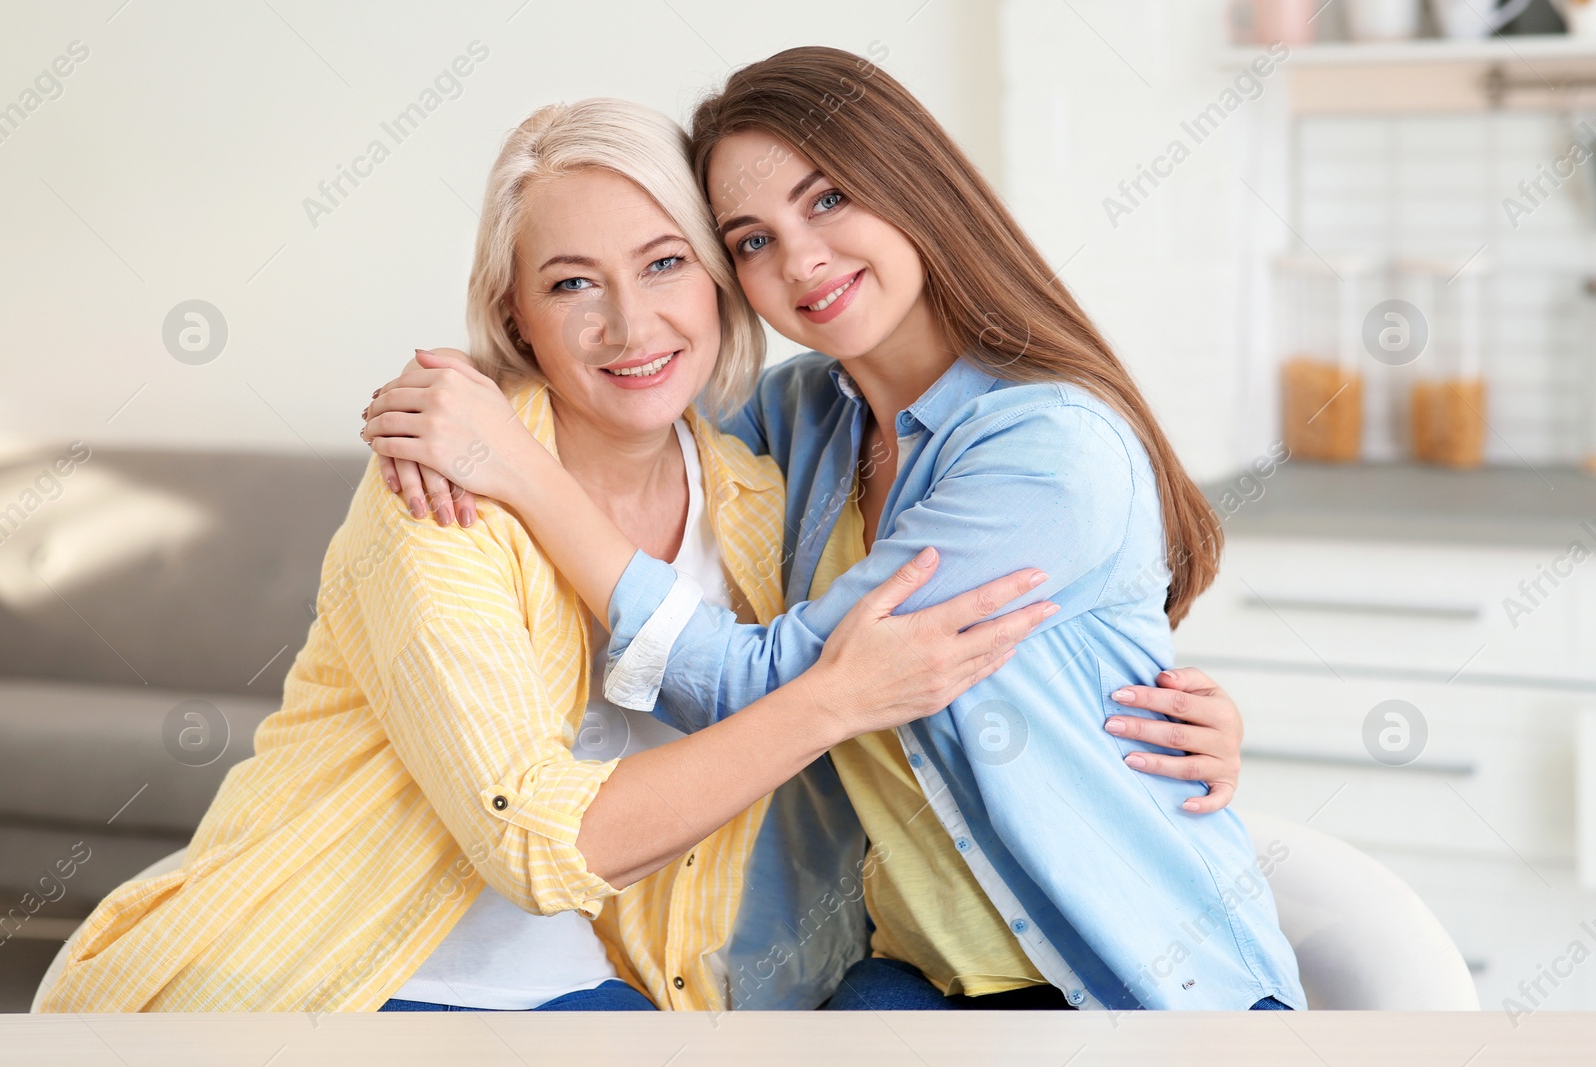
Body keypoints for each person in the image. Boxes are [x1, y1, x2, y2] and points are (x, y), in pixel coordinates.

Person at [36, 98, 1059, 1015]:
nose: (630, 323)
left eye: (664, 263)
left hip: (598, 974)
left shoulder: (759, 489)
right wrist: (831, 698)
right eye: (572, 283)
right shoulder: (437, 491)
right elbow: (532, 837)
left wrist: (1161, 700)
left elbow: (921, 653)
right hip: (325, 971)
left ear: (718, 282)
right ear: (512, 315)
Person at [363, 50, 1301, 1011]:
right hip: (915, 975)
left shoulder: (1048, 449)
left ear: (914, 189)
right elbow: (620, 427)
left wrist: (513, 469)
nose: (800, 260)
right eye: (752, 239)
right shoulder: (797, 417)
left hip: (1133, 981)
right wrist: (452, 410)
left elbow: (764, 687)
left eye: (828, 200)